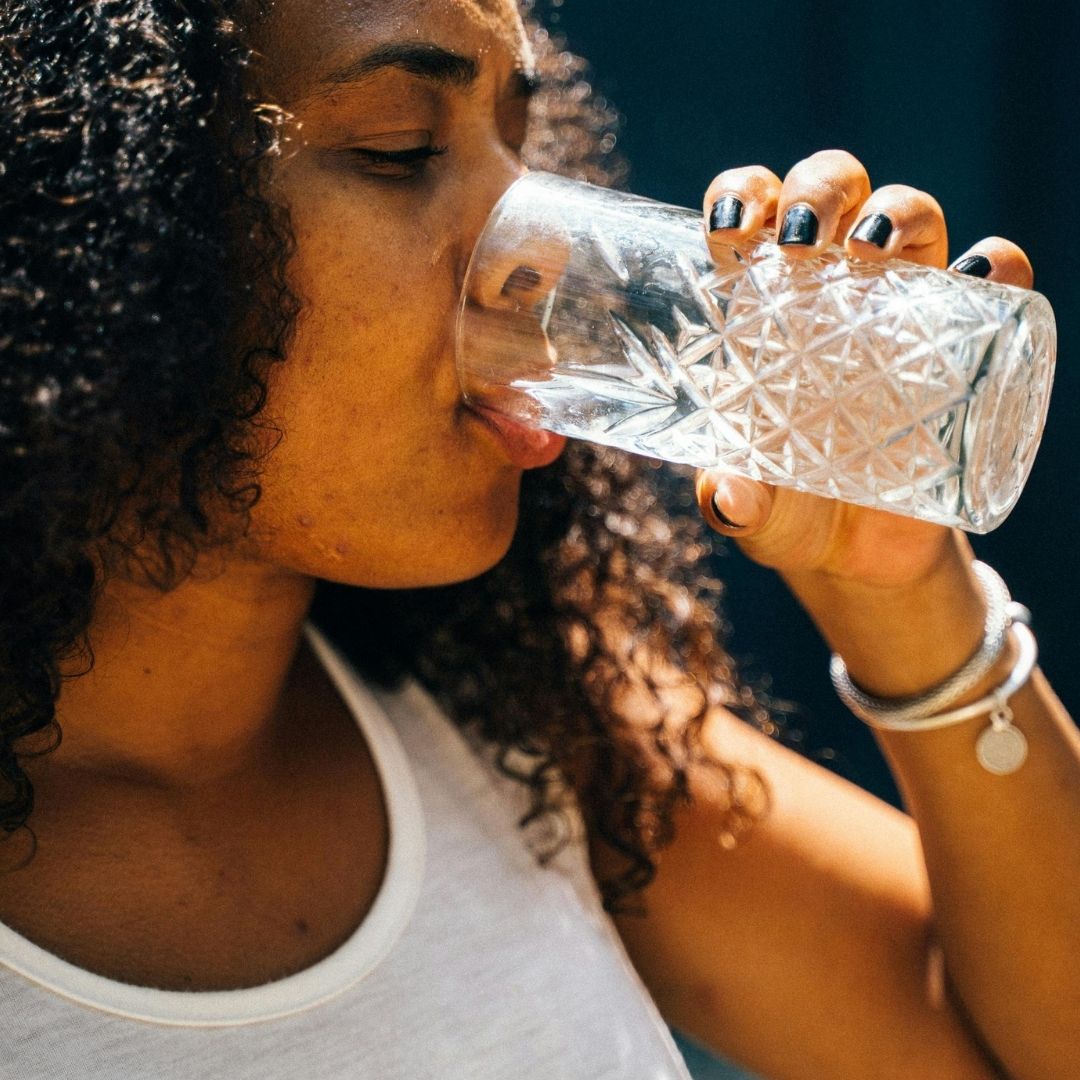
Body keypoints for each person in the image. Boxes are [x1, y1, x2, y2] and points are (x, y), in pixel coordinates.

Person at [0, 1, 1077, 1078]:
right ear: (96, 213)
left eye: (516, 142)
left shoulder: (517, 732)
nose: (547, 242)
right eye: (401, 149)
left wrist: (904, 590)